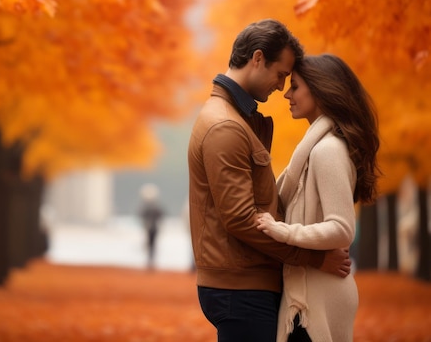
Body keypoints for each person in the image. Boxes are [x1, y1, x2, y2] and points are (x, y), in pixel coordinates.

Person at [187, 19, 352, 342]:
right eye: (280, 75)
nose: (281, 87)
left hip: (245, 281)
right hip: (241, 286)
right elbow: (241, 219)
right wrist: (315, 258)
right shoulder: (226, 126)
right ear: (258, 58)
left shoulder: (239, 120)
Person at [256, 54, 380, 342]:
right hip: (311, 291)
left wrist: (282, 231)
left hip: (318, 298)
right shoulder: (314, 149)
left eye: (295, 86)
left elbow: (342, 228)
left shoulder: (327, 150)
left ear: (320, 89)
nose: (287, 93)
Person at [138, 183, 164, 269]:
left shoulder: (150, 207)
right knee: (151, 245)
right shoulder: (154, 207)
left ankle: (150, 261)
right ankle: (150, 260)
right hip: (151, 228)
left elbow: (141, 215)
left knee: (151, 244)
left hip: (152, 229)